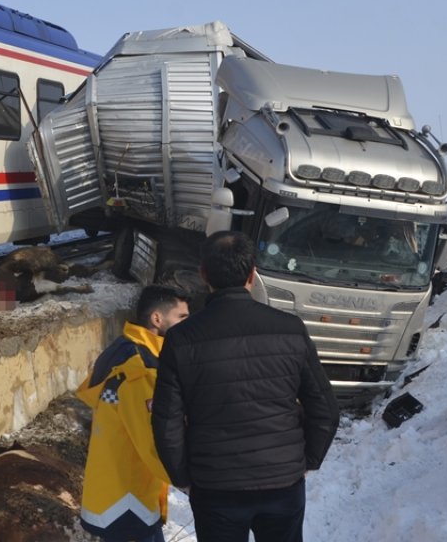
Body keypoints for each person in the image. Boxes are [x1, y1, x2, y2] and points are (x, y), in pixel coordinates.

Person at [152, 231, 339, 542]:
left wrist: (183, 476)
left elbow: (166, 421)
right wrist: (305, 461)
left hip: (214, 487)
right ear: (253, 274)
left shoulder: (181, 339)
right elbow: (326, 409)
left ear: (203, 274)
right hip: (283, 484)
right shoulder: (290, 329)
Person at [76, 285, 191, 542]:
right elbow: (152, 438)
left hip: (115, 493)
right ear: (157, 319)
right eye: (182, 318)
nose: (188, 324)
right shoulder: (139, 369)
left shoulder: (123, 349)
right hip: (129, 504)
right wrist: (186, 478)